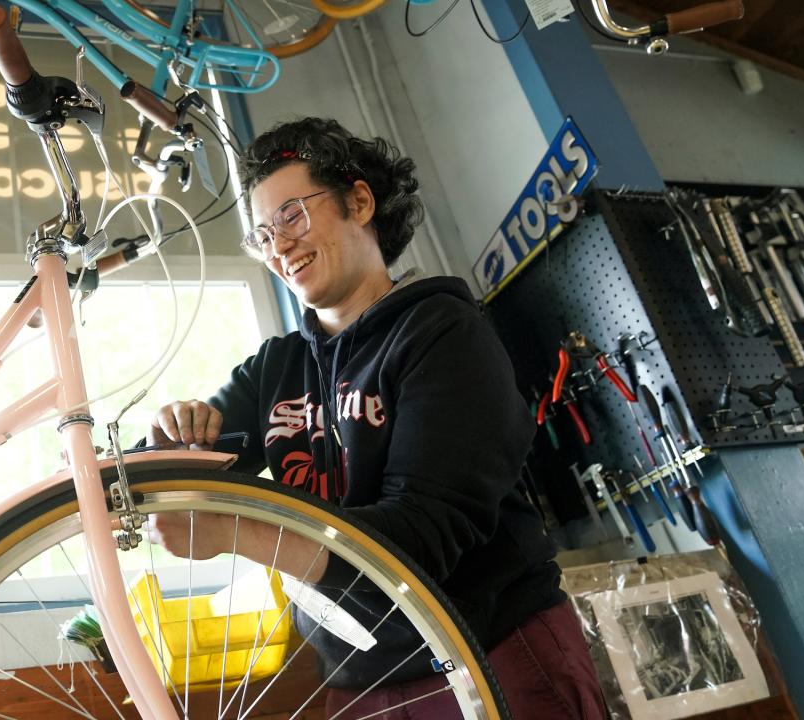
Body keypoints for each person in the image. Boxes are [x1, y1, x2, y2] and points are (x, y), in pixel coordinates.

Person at [145, 117, 606, 719]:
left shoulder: (443, 334)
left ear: (359, 202)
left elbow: (418, 542)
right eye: (262, 234)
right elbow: (174, 469)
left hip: (490, 655)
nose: (279, 245)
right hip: (360, 680)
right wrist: (169, 438)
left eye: (293, 216)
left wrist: (238, 532)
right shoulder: (275, 368)